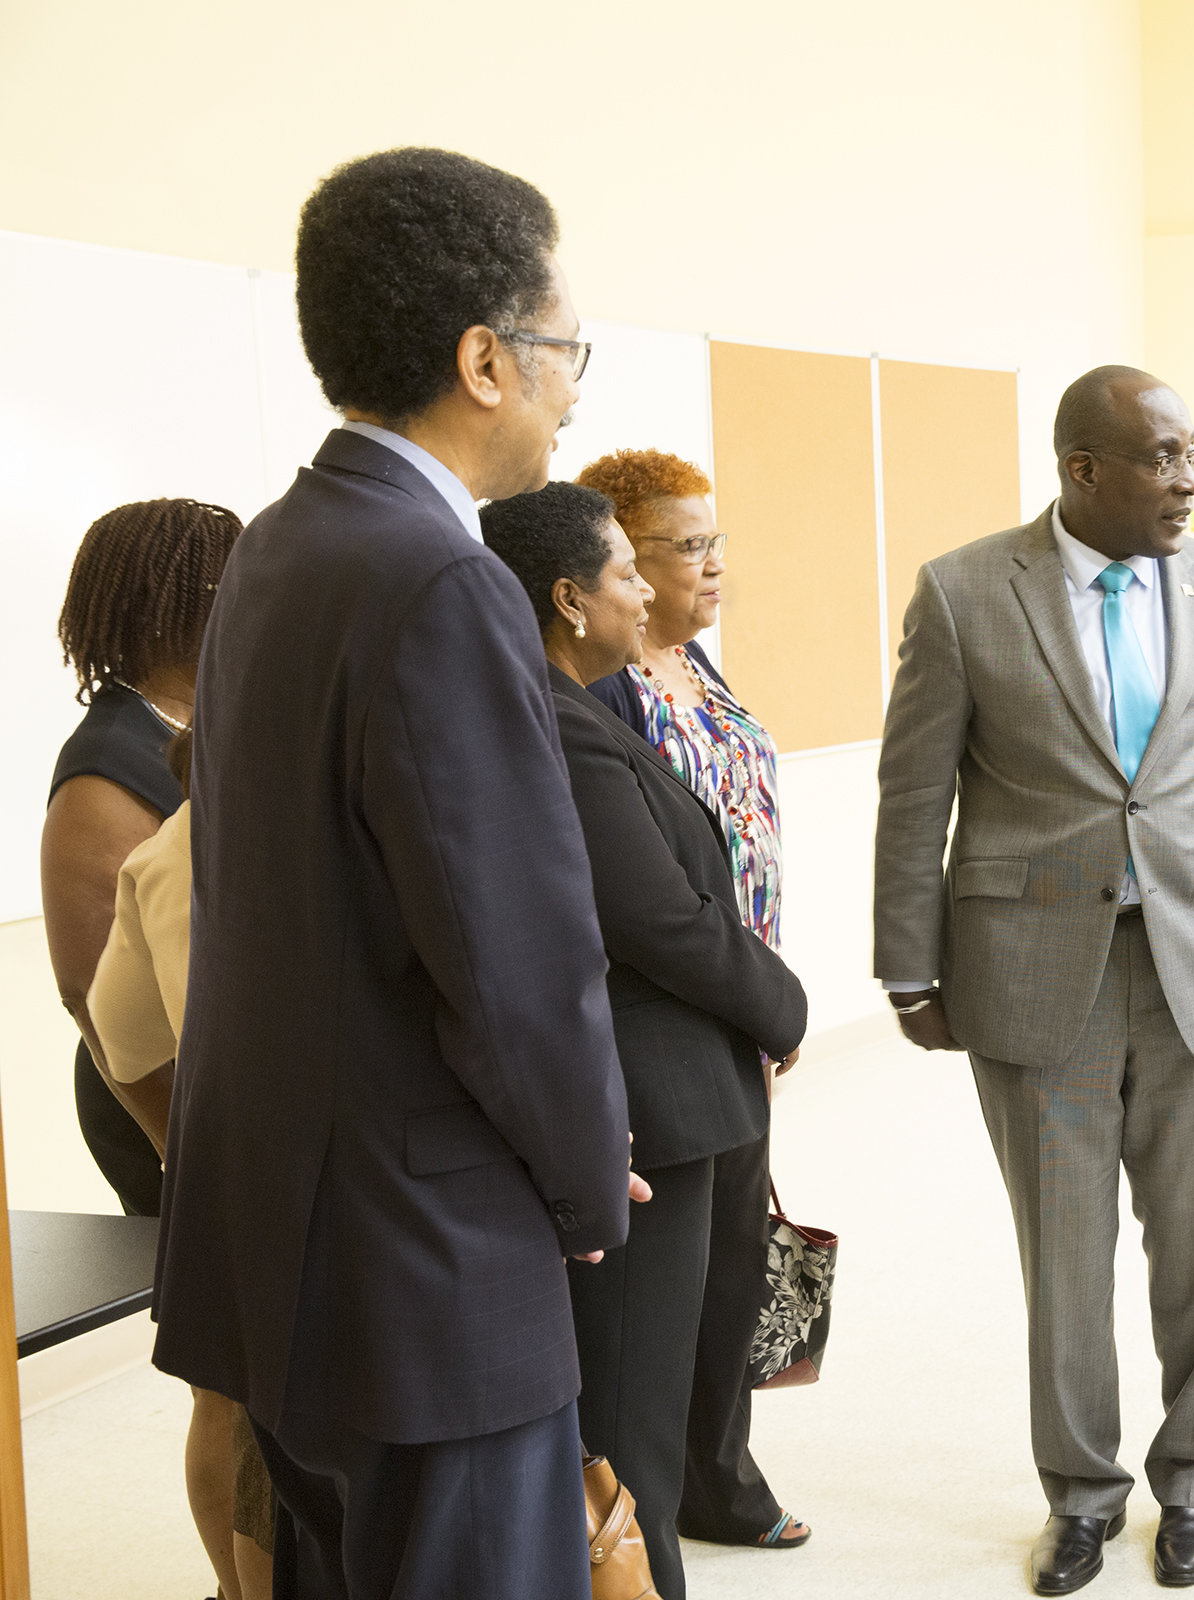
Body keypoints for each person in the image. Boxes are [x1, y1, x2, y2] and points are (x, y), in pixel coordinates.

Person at [154, 147, 636, 1600]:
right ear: (485, 361)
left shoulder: (286, 547)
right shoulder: (441, 579)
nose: (574, 385)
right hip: (428, 1273)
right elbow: (510, 956)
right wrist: (586, 1183)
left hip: (287, 1247)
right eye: (565, 350)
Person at [873, 365, 1194, 1594]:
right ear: (1084, 471)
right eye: (1165, 459)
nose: (1189, 481)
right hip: (1034, 973)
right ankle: (1081, 1496)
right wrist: (908, 967)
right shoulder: (965, 593)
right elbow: (917, 792)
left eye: (1192, 454)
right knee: (1063, 1256)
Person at [483, 482, 811, 1600]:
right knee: (631, 1419)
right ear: (571, 599)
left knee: (657, 1403)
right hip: (656, 1109)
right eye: (629, 568)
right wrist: (783, 1003)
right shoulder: (561, 726)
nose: (646, 587)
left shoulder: (578, 704)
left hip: (689, 1091)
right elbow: (659, 919)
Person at [573, 449, 811, 1552]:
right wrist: (761, 995)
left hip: (742, 1000)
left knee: (735, 1267)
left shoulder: (696, 666)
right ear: (612, 564)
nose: (715, 564)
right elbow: (647, 899)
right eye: (686, 547)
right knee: (674, 1292)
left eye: (718, 541)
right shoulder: (602, 694)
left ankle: (719, 1464)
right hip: (691, 1004)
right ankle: (672, 1495)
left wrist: (764, 994)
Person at [86, 725, 275, 1600]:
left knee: (226, 1412)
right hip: (345, 1188)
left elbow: (119, 1037)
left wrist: (184, 1151)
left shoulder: (163, 852)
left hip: (221, 1178)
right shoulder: (329, 841)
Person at [41, 497, 241, 1215]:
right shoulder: (104, 771)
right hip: (153, 1102)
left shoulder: (208, 722)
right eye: (231, 584)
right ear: (169, 605)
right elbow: (88, 994)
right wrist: (181, 1148)